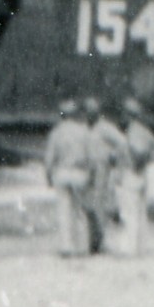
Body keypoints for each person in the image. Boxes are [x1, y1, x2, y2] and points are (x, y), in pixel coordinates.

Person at [43, 97, 93, 258]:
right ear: (75, 114)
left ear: (62, 115)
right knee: (80, 211)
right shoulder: (84, 131)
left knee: (63, 211)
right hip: (79, 173)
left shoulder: (56, 133)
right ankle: (82, 246)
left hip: (62, 172)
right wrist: (91, 175)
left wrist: (48, 176)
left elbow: (49, 158)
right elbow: (91, 156)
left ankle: (66, 246)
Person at [86, 98, 132, 255]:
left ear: (98, 113)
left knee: (99, 203)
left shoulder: (105, 128)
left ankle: (99, 241)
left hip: (101, 167)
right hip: (88, 168)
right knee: (89, 204)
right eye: (87, 112)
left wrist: (113, 156)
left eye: (92, 112)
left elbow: (122, 142)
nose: (89, 115)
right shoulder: (86, 128)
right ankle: (93, 239)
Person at [117, 98, 154, 251]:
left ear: (128, 114)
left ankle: (129, 247)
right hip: (143, 174)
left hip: (131, 173)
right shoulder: (145, 130)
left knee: (129, 212)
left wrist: (135, 165)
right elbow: (153, 145)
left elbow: (136, 151)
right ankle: (141, 246)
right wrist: (145, 161)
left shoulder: (132, 131)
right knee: (140, 213)